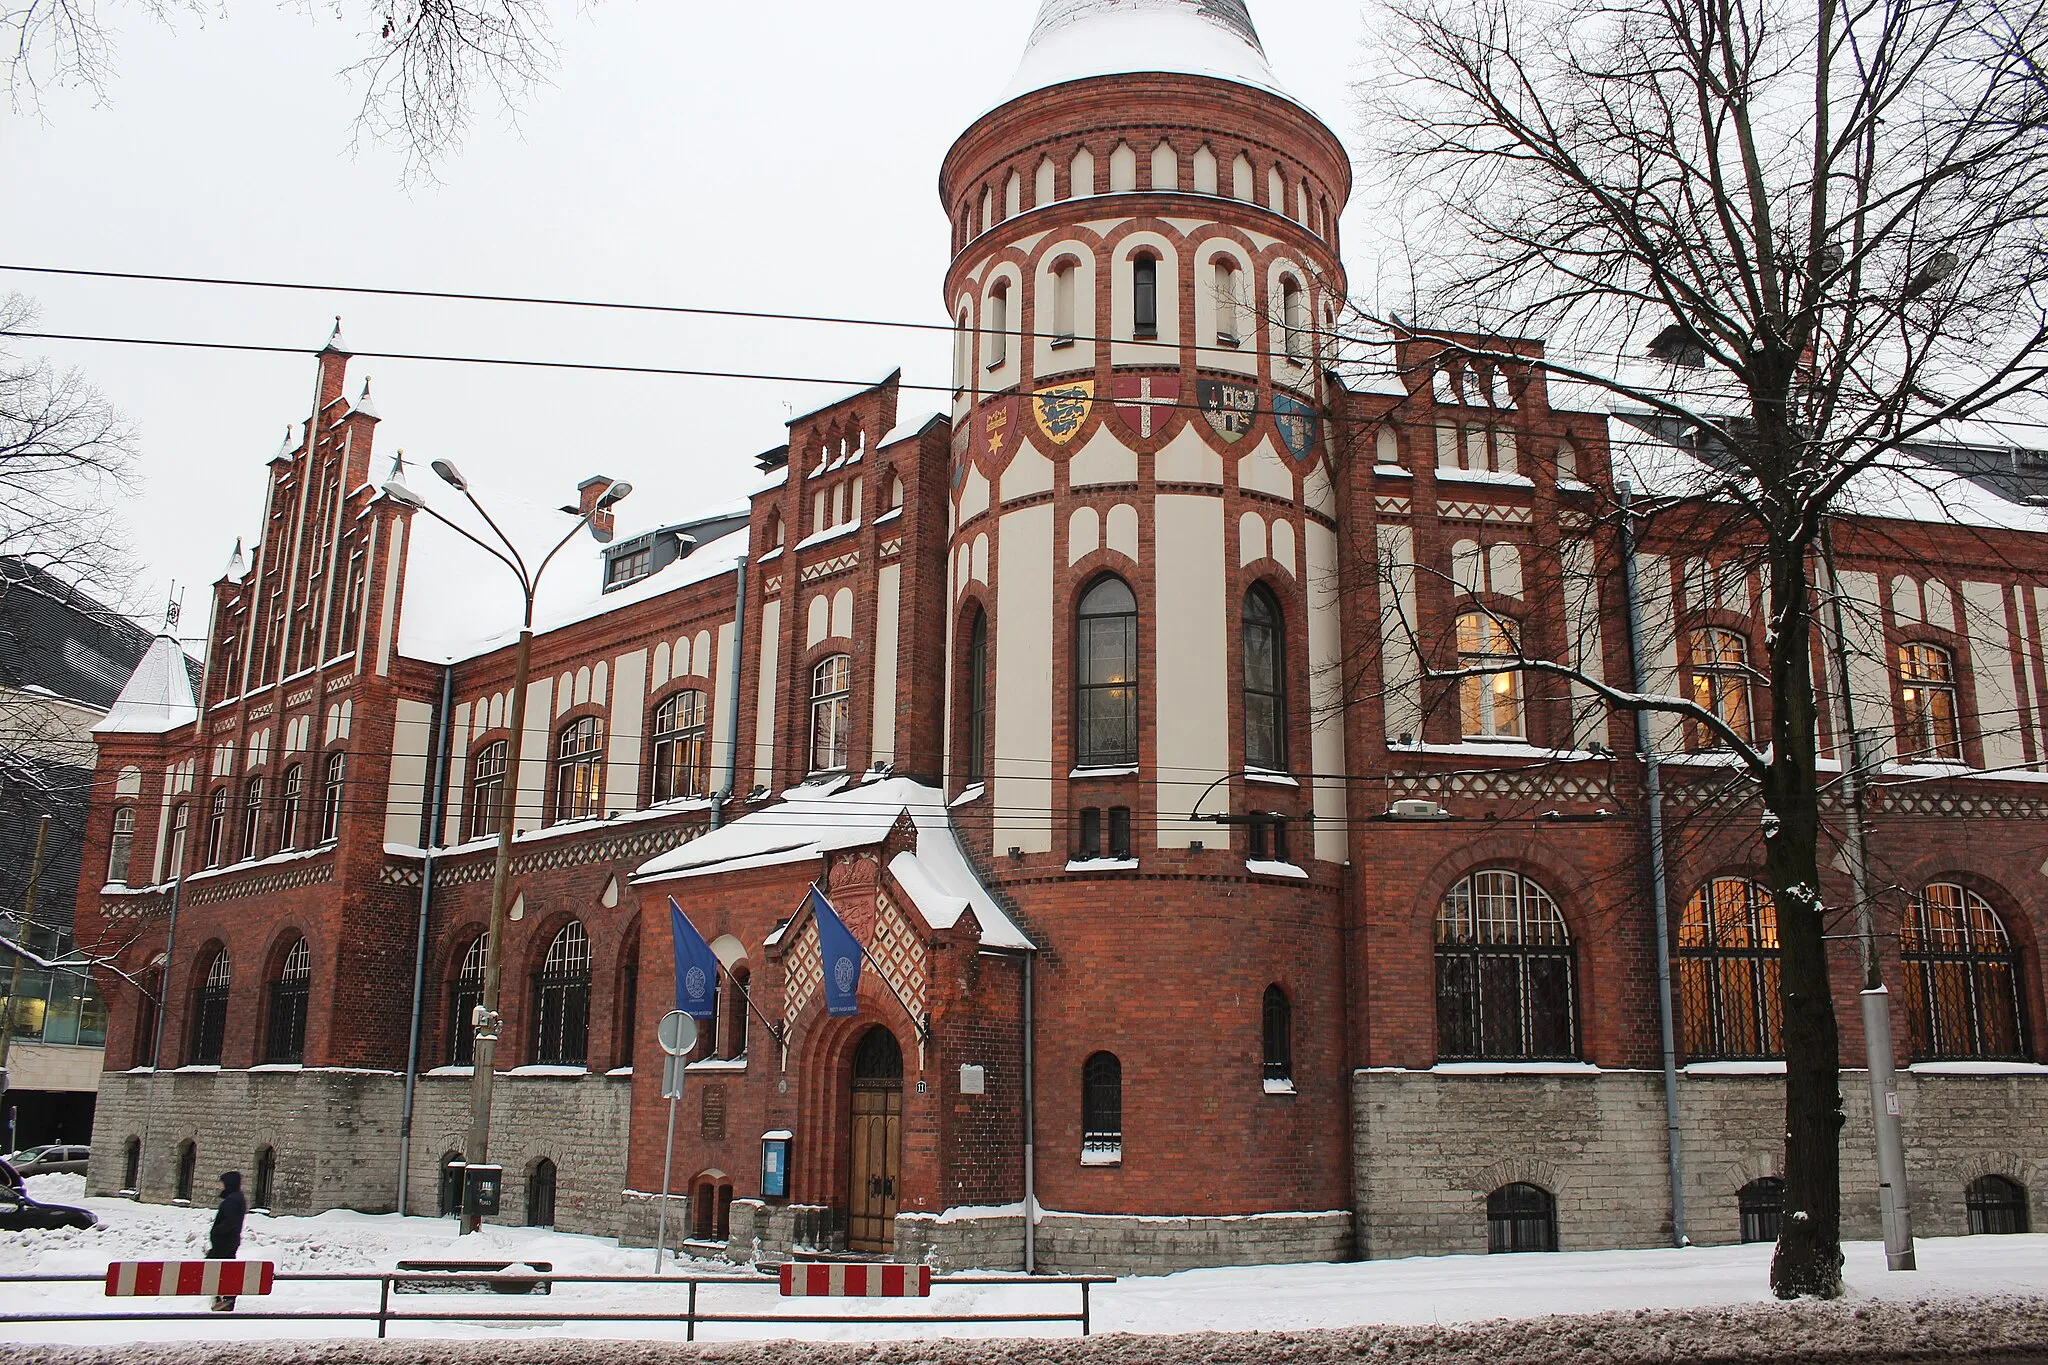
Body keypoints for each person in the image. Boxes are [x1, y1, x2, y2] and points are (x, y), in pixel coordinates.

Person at [209, 1171, 247, 1312]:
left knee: (214, 1269)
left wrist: (217, 1232)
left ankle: (223, 1298)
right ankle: (224, 1297)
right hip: (228, 1242)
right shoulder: (236, 1198)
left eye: (222, 1182)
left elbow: (230, 1221)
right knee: (225, 1269)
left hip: (224, 1243)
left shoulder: (232, 1201)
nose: (220, 1185)